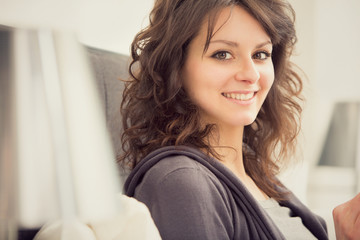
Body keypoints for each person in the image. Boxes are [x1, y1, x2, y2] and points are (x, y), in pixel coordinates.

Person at [119, 0, 329, 239]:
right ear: (176, 65)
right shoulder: (182, 182)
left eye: (260, 54)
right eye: (223, 54)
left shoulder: (258, 175)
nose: (251, 74)